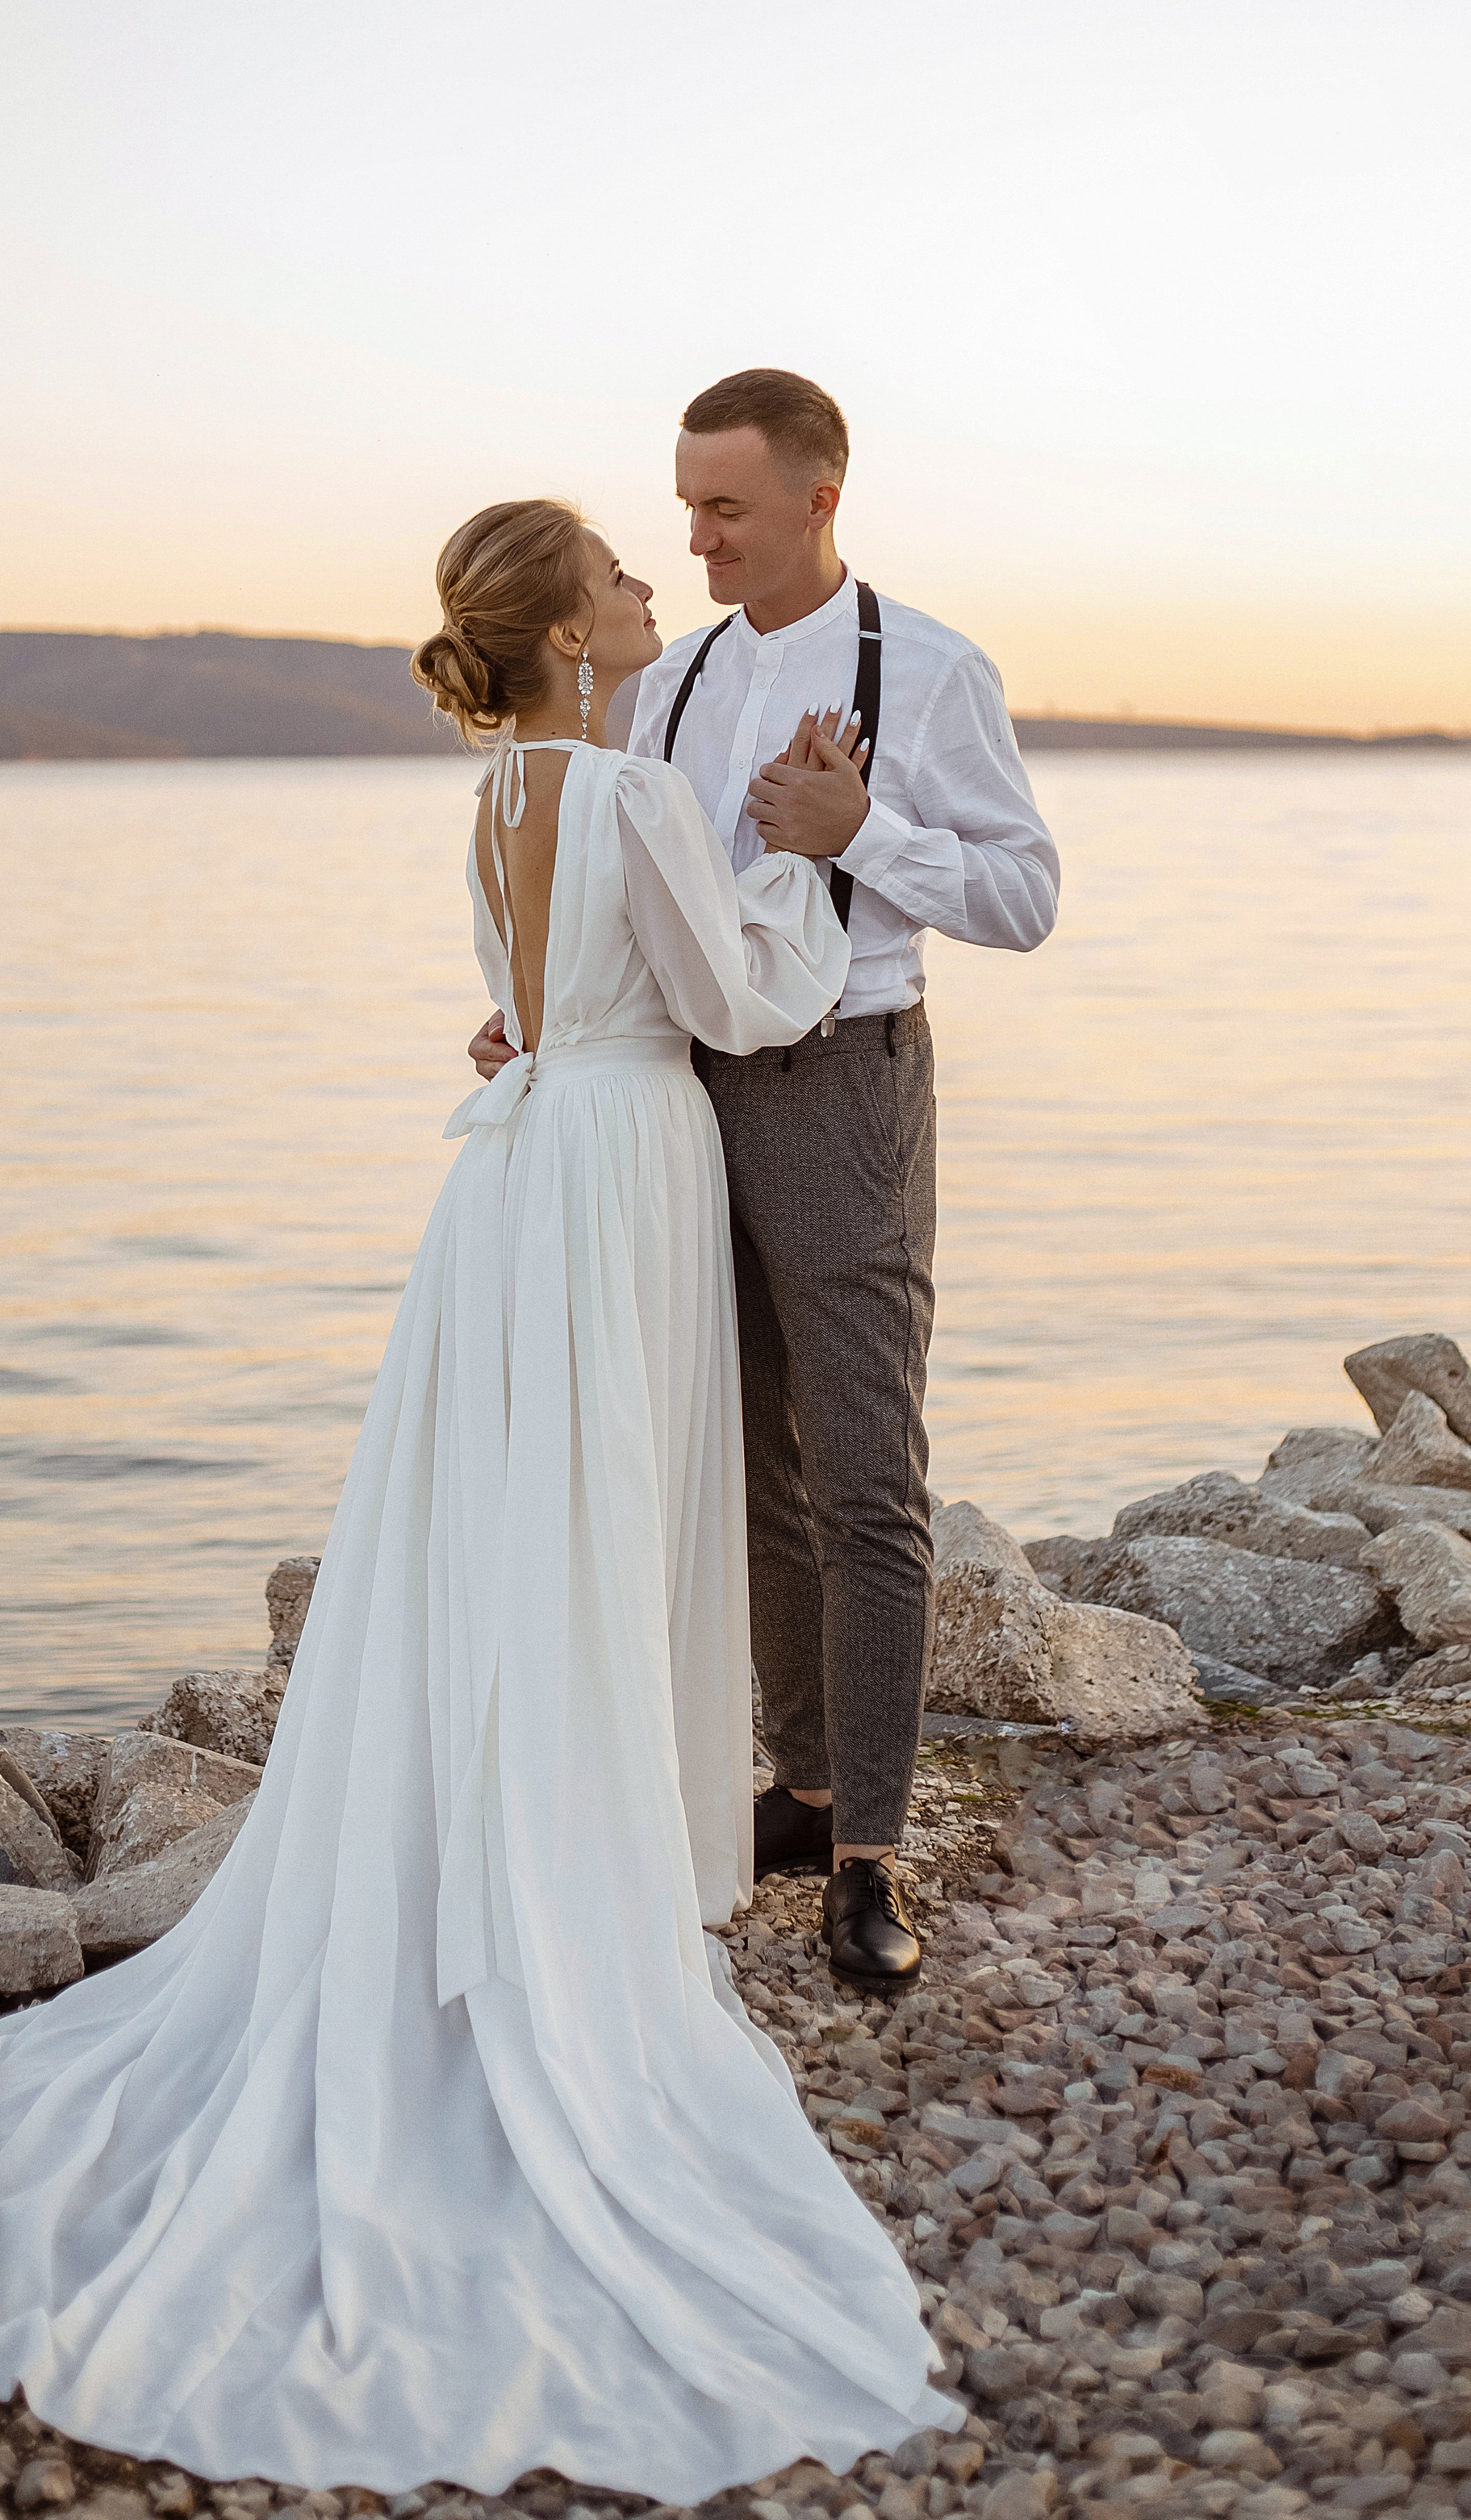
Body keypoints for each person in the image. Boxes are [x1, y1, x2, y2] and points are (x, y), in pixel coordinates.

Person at [0, 497, 959, 2498]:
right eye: (614, 565)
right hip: (613, 1176)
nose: (643, 580)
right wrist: (801, 837)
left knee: (499, 1533)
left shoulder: (499, 790)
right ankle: (578, 1882)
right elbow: (747, 1001)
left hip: (511, 1180)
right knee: (595, 1533)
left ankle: (491, 1837)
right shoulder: (629, 793)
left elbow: (561, 977)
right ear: (571, 635)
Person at [472, 375, 1060, 1988]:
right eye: (682, 504)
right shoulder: (664, 688)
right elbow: (648, 896)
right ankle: (794, 1787)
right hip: (671, 1093)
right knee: (745, 1462)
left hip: (841, 1093)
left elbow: (1021, 898)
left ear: (816, 497)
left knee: (867, 1469)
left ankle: (868, 1848)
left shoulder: (928, 668)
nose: (692, 536)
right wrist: (537, 1007)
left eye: (722, 507)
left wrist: (861, 827)